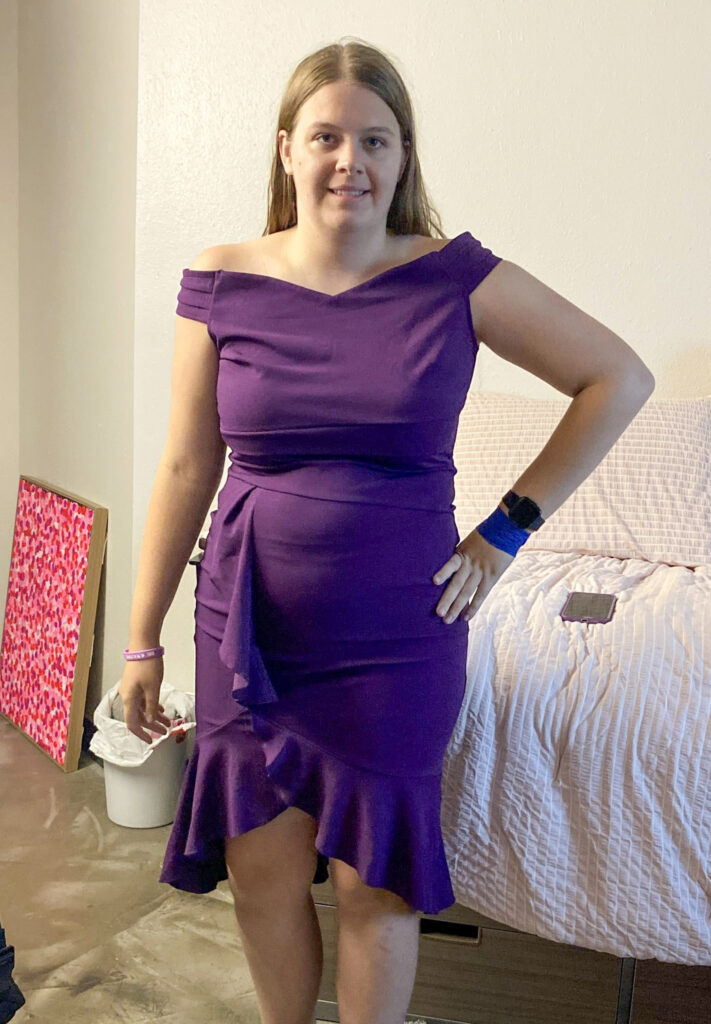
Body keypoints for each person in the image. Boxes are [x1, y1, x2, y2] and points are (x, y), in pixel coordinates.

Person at [118, 37, 654, 1024]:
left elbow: (617, 377)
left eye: (376, 139)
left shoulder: (454, 277)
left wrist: (505, 531)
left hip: (397, 634)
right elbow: (188, 466)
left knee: (376, 881)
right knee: (262, 865)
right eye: (326, 136)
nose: (349, 161)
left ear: (404, 157)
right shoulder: (220, 278)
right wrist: (142, 635)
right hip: (249, 624)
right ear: (286, 149)